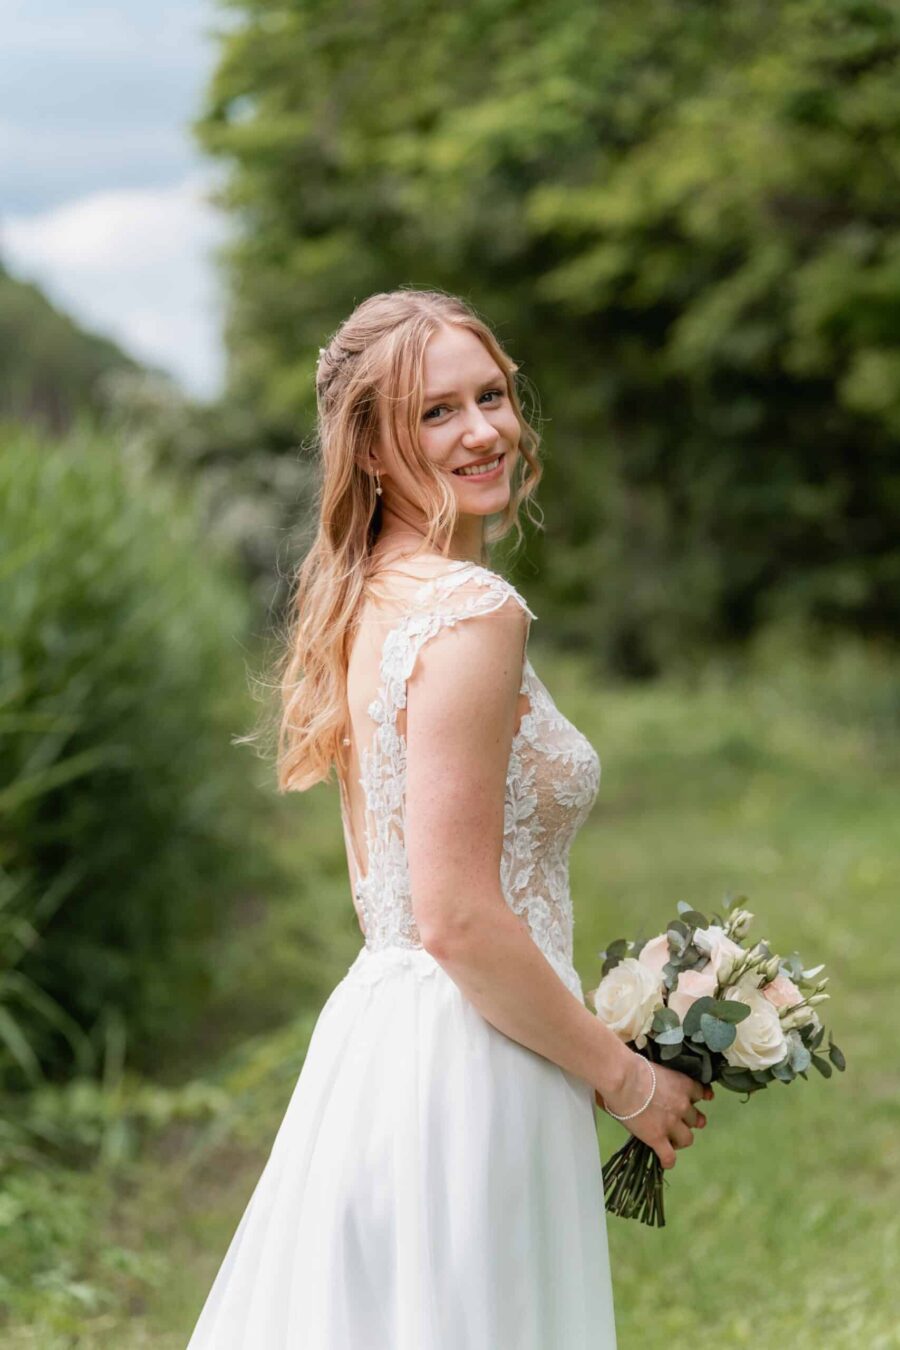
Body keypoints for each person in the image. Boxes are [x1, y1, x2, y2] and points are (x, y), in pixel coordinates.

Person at [186, 288, 712, 1349]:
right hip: (476, 1055)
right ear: (372, 449)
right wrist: (625, 1081)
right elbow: (458, 918)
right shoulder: (472, 615)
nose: (484, 430)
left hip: (384, 1038)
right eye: (437, 412)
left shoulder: (367, 592)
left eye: (493, 396)